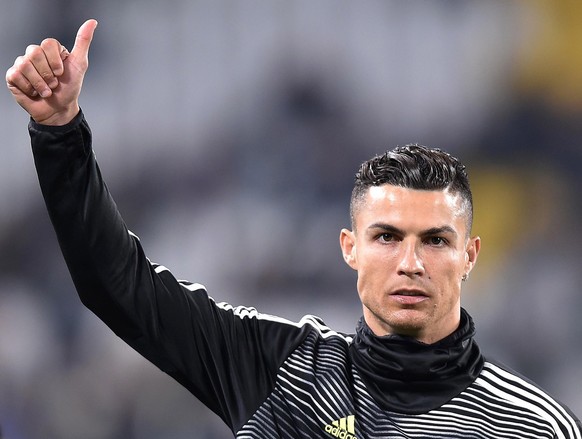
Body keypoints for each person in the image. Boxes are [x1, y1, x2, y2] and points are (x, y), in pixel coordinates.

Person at [6, 19, 582, 439]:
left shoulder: (533, 425)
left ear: (470, 255)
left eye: (435, 239)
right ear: (349, 248)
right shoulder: (281, 372)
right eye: (387, 237)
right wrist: (60, 133)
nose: (411, 262)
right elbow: (116, 285)